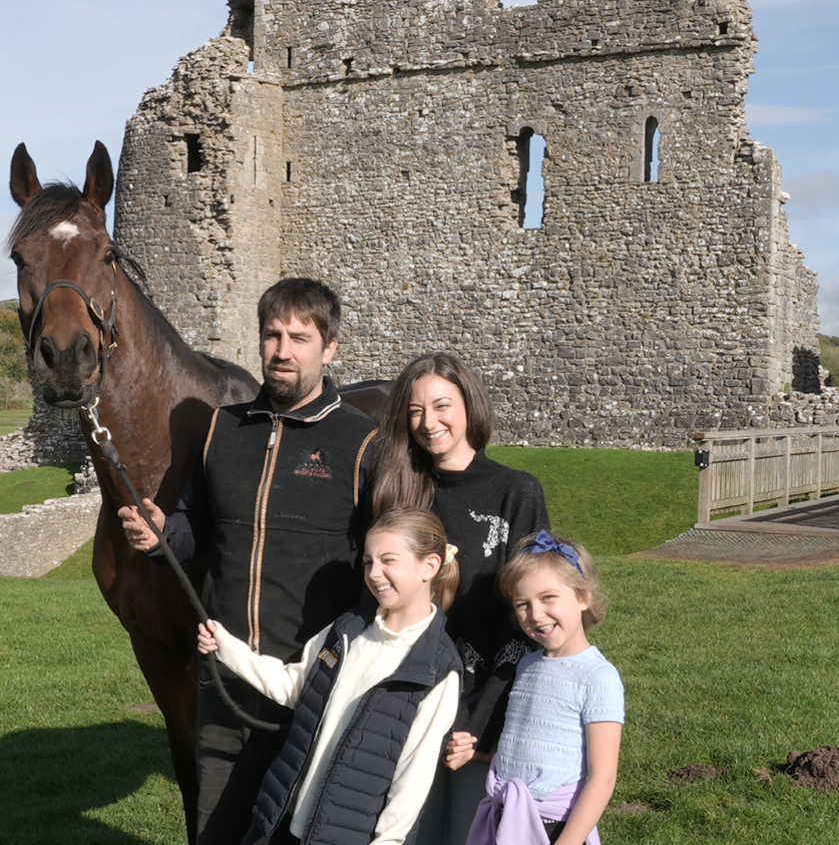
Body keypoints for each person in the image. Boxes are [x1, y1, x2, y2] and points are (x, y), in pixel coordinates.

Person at [120, 277, 378, 844]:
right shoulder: (223, 429)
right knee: (219, 830)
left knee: (303, 832)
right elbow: (194, 529)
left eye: (300, 338)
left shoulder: (362, 442)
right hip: (226, 673)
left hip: (314, 678)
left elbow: (389, 563)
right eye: (271, 335)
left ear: (329, 348)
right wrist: (162, 536)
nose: (282, 351)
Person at [197, 507, 463, 845]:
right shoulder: (348, 628)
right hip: (283, 821)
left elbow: (412, 780)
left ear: (430, 566)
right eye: (368, 562)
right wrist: (226, 647)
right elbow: (293, 685)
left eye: (388, 560)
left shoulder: (435, 671)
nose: (374, 573)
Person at [369, 352, 550, 844]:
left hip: (481, 716)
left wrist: (481, 724)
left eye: (442, 405)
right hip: (407, 706)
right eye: (414, 411)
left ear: (469, 405)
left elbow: (528, 622)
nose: (429, 423)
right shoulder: (399, 494)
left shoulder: (516, 492)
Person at [463, 531, 622, 845]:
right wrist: (481, 754)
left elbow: (602, 778)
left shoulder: (597, 676)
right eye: (523, 604)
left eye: (549, 598)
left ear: (583, 597)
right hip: (506, 821)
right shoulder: (526, 665)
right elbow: (526, 738)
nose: (536, 615)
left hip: (555, 829)